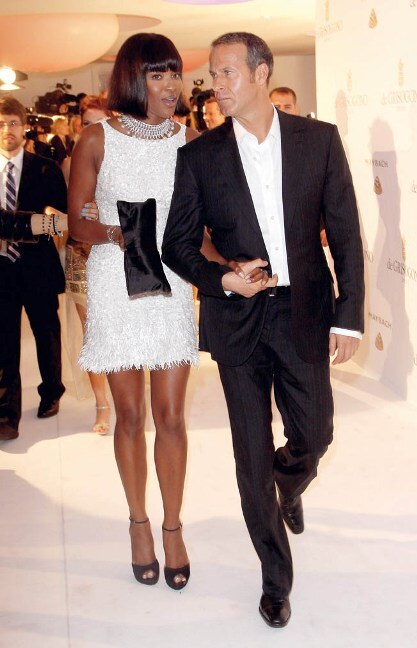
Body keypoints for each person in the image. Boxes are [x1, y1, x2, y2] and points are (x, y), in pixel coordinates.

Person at [162, 32, 364, 627]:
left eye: (227, 73)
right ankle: (276, 578)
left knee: (316, 435)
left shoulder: (317, 140)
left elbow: (345, 233)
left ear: (260, 73)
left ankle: (289, 484)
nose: (216, 86)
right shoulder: (199, 156)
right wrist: (223, 278)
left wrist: (349, 315)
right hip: (238, 320)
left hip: (304, 311)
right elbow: (177, 245)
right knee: (250, 461)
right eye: (212, 76)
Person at [68, 33, 200, 590]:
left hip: (171, 283)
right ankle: (138, 523)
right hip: (116, 282)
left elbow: (201, 221)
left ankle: (173, 527)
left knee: (171, 418)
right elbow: (77, 224)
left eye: (175, 73)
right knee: (129, 416)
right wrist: (117, 234)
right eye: (157, 73)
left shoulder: (189, 139)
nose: (171, 85)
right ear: (132, 77)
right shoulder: (96, 138)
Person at [0, 95, 68, 442]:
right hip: (1, 271)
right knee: (3, 341)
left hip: (38, 267)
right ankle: (6, 413)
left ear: (24, 127)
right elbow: (44, 221)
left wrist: (38, 224)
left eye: (13, 123)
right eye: (1, 124)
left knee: (47, 334)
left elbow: (61, 222)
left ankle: (52, 392)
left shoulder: (46, 168)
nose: (7, 130)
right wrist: (36, 222)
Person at [64, 97, 112, 433]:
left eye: (99, 122)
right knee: (92, 331)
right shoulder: (70, 164)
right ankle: (101, 403)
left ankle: (127, 394)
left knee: (122, 326)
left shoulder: (125, 160)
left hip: (117, 252)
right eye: (86, 124)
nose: (92, 130)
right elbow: (63, 212)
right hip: (81, 254)